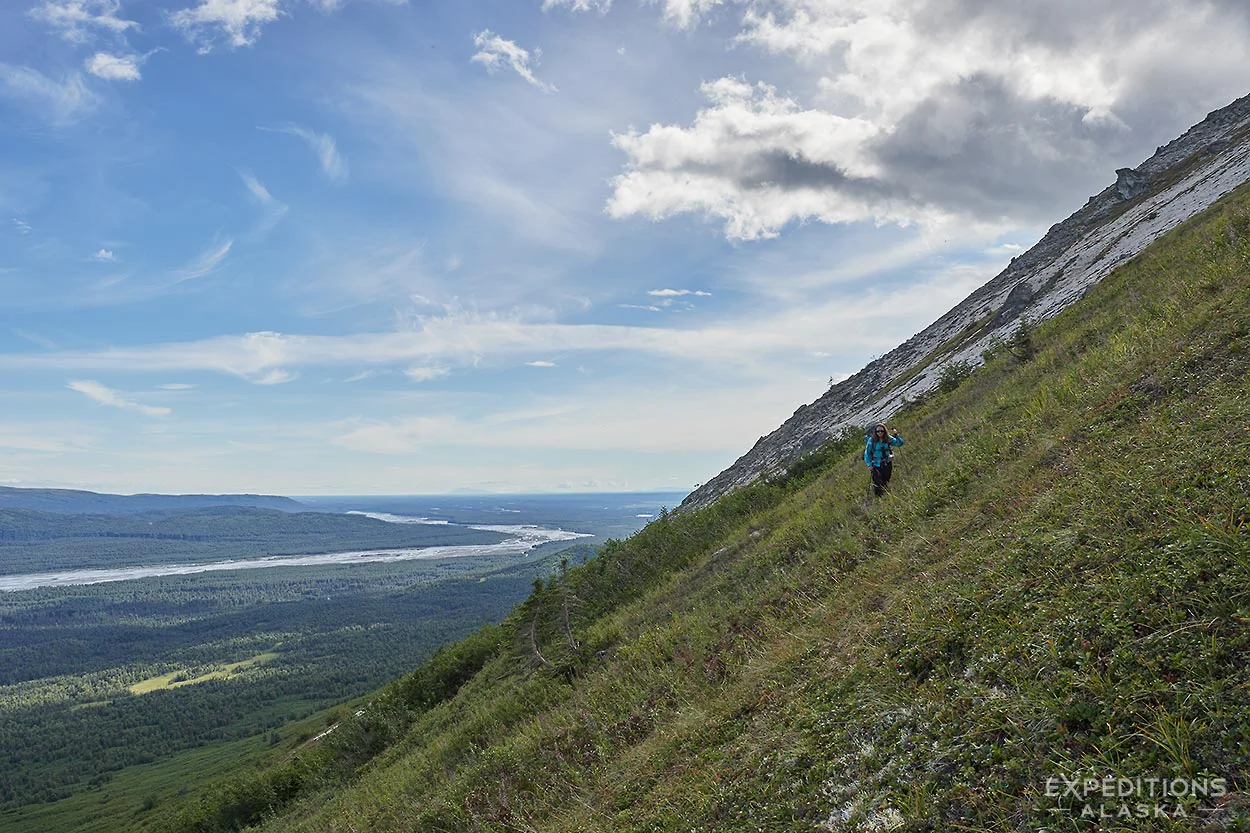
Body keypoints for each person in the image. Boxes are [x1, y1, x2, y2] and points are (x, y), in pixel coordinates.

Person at [864, 422, 904, 497]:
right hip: (875, 464)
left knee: (886, 480)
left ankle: (885, 496)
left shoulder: (888, 438)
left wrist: (897, 436)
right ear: (875, 432)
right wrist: (869, 464)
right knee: (877, 482)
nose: (880, 433)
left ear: (884, 431)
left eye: (881, 431)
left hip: (887, 463)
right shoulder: (871, 440)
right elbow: (867, 453)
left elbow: (899, 444)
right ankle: (879, 497)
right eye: (878, 431)